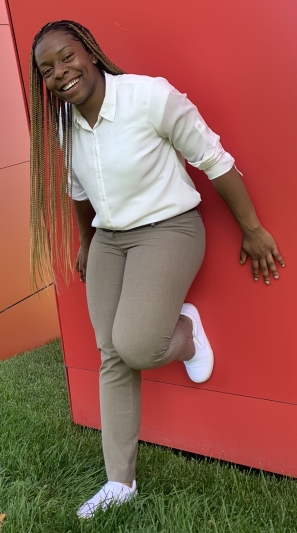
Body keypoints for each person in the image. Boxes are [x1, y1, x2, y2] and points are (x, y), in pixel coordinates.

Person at [29, 20, 285, 519]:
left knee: (138, 346)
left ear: (91, 52)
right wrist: (87, 242)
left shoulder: (150, 98)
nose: (60, 73)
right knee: (111, 355)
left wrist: (252, 228)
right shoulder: (67, 126)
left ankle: (185, 331)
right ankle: (119, 482)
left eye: (67, 57)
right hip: (111, 240)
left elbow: (214, 159)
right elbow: (79, 192)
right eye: (47, 69)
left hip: (170, 229)